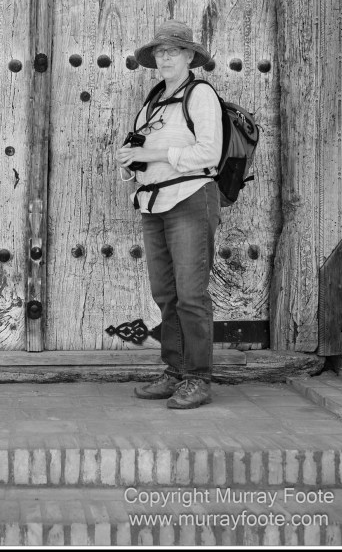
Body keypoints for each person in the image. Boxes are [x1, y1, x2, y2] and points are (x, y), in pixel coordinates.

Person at [115, 21, 222, 409]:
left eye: (173, 51)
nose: (164, 58)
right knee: (166, 294)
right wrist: (130, 162)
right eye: (160, 52)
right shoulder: (154, 99)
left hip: (191, 198)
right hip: (153, 204)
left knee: (191, 294)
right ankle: (175, 372)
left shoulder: (201, 94)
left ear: (190, 56)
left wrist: (152, 154)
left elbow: (208, 154)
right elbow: (140, 151)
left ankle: (198, 378)